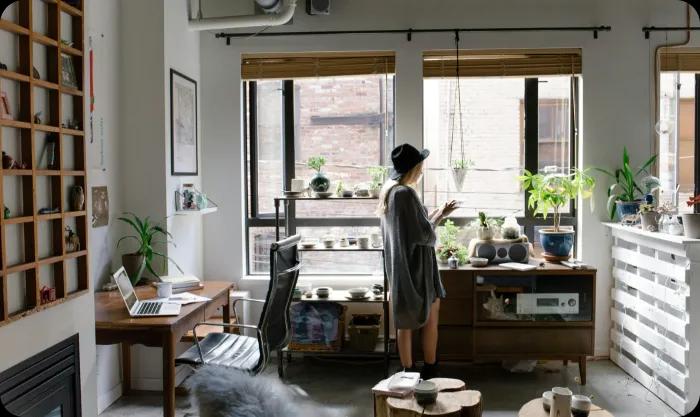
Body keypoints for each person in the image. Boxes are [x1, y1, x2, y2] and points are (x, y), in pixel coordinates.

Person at [377, 143, 458, 379]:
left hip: (401, 270)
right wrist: (440, 217)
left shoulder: (390, 193)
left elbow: (414, 228)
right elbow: (424, 235)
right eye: (420, 165)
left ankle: (408, 372)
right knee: (431, 319)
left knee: (404, 322)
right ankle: (430, 369)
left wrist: (437, 213)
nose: (422, 170)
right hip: (418, 270)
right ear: (414, 168)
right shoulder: (406, 194)